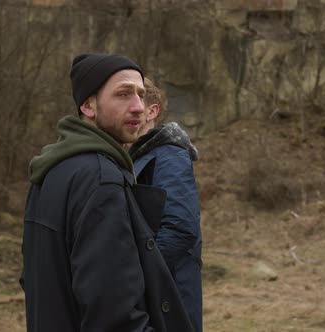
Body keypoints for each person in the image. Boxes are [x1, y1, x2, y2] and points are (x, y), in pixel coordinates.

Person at [20, 54, 194, 332]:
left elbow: (36, 281)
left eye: (140, 94)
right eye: (123, 94)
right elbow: (115, 316)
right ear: (88, 105)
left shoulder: (53, 168)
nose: (138, 107)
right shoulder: (101, 180)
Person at [128, 78, 203, 332]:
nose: (132, 110)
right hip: (155, 289)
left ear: (152, 111)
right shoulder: (138, 155)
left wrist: (135, 271)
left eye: (138, 104)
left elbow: (181, 229)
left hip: (171, 290)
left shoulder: (170, 154)